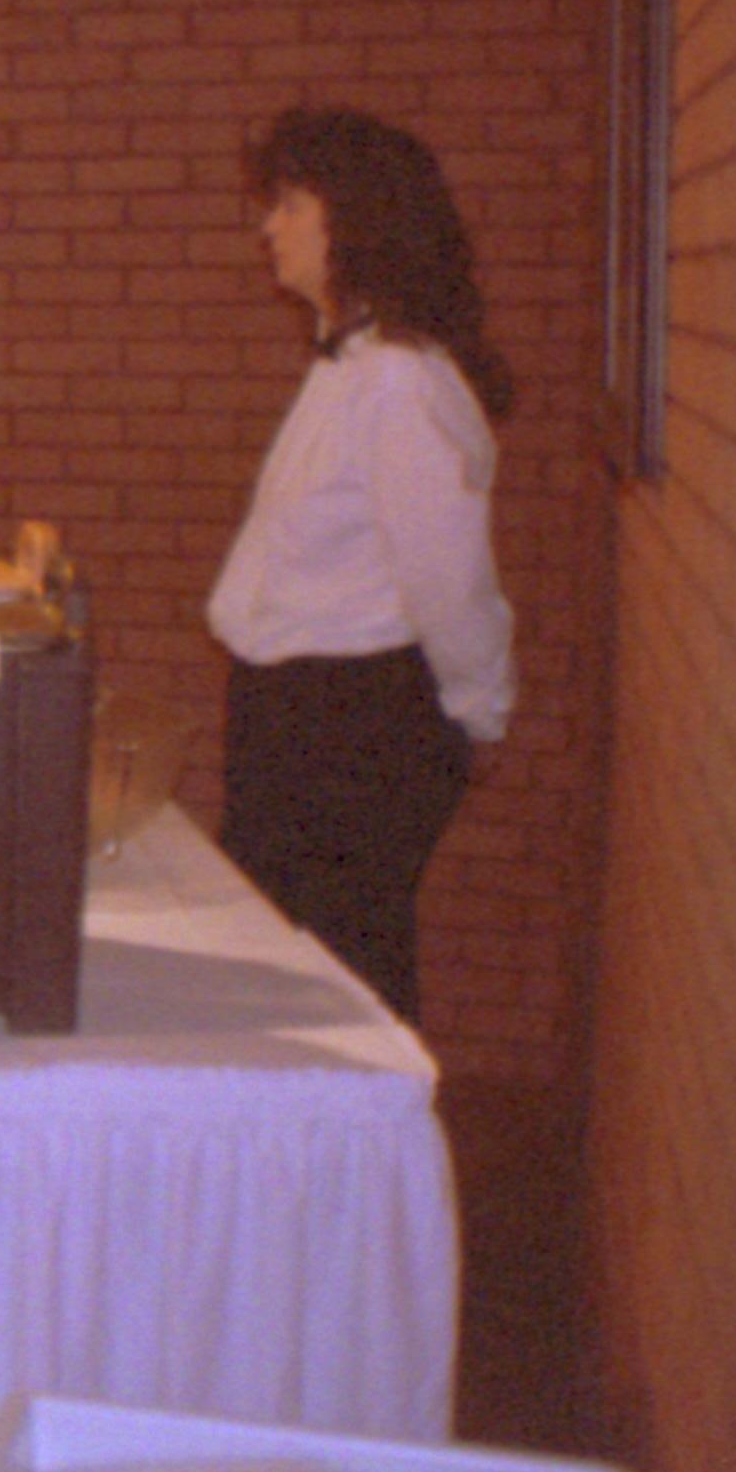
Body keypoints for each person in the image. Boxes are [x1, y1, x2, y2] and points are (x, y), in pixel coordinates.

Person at [206, 105, 514, 1025]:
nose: (270, 227)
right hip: (297, 720)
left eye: (291, 205)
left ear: (356, 219)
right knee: (284, 990)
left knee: (338, 996)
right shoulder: (348, 368)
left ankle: (351, 1171)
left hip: (351, 729)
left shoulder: (399, 381)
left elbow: (450, 584)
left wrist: (478, 709)